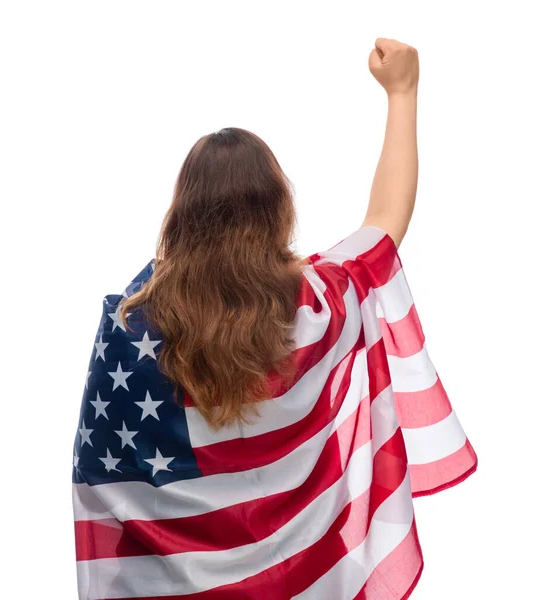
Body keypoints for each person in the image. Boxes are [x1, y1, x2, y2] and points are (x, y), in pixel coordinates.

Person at [72, 38, 477, 599]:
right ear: (278, 207)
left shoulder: (131, 328)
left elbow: (108, 484)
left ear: (181, 212)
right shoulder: (318, 307)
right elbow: (385, 219)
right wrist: (402, 93)